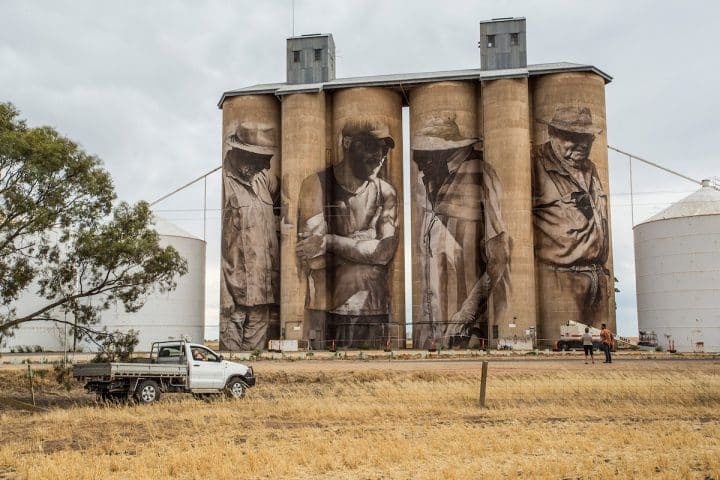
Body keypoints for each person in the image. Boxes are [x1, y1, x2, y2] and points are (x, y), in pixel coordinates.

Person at [411, 115, 511, 349]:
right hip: (436, 321)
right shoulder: (427, 180)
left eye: (426, 154)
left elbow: (500, 257)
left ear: (446, 152)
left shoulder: (480, 174)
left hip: (467, 323)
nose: (418, 161)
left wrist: (466, 315)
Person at [296, 121, 399, 349]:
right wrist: (365, 240)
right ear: (347, 143)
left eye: (384, 148)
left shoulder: (385, 192)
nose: (380, 155)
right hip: (327, 310)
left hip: (374, 309)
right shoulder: (316, 185)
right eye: (372, 146)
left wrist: (331, 241)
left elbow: (384, 252)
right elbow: (314, 257)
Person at [533, 106, 611, 333]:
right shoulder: (534, 164)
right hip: (560, 281)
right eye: (573, 137)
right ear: (551, 133)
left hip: (597, 279)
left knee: (600, 345)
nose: (583, 144)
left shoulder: (591, 168)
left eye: (587, 137)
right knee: (566, 343)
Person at [220, 122, 281, 351]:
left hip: (263, 294)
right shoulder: (224, 184)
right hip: (234, 298)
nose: (265, 166)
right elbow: (219, 243)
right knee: (229, 361)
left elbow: (287, 192)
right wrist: (224, 293)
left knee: (252, 364)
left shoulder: (262, 179)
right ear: (241, 153)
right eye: (260, 159)